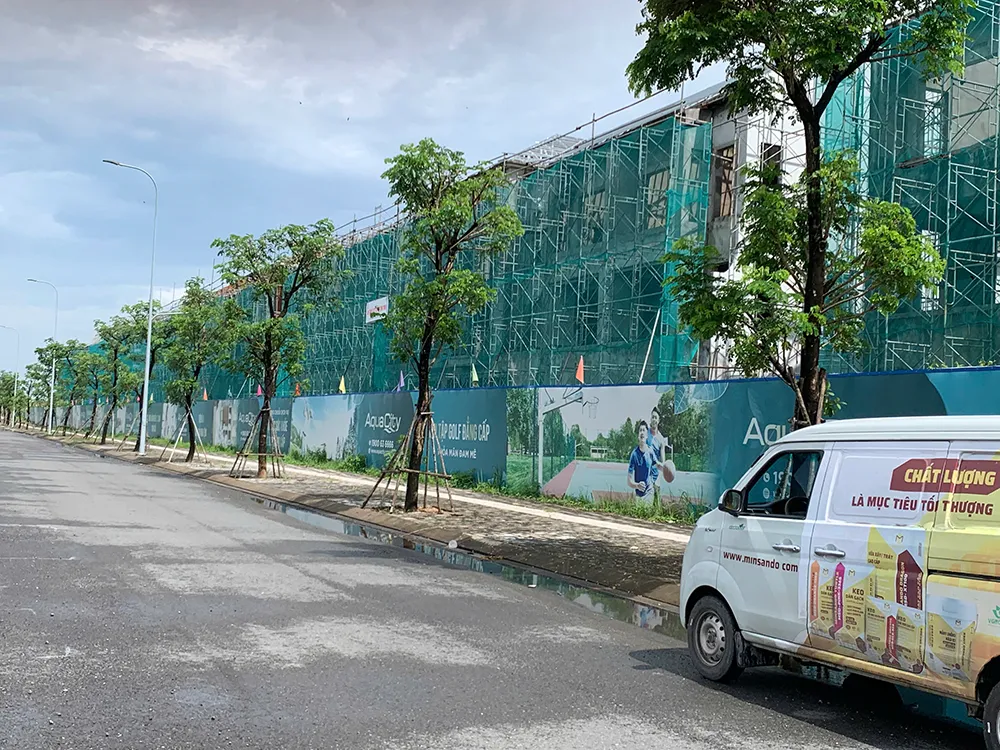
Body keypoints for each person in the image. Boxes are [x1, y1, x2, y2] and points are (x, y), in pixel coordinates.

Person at [627, 420, 655, 500]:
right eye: (640, 430)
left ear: (647, 435)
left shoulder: (650, 452)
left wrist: (665, 467)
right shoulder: (634, 454)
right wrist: (637, 485)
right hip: (638, 494)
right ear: (638, 436)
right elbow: (629, 481)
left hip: (649, 491)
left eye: (644, 430)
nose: (642, 432)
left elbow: (658, 465)